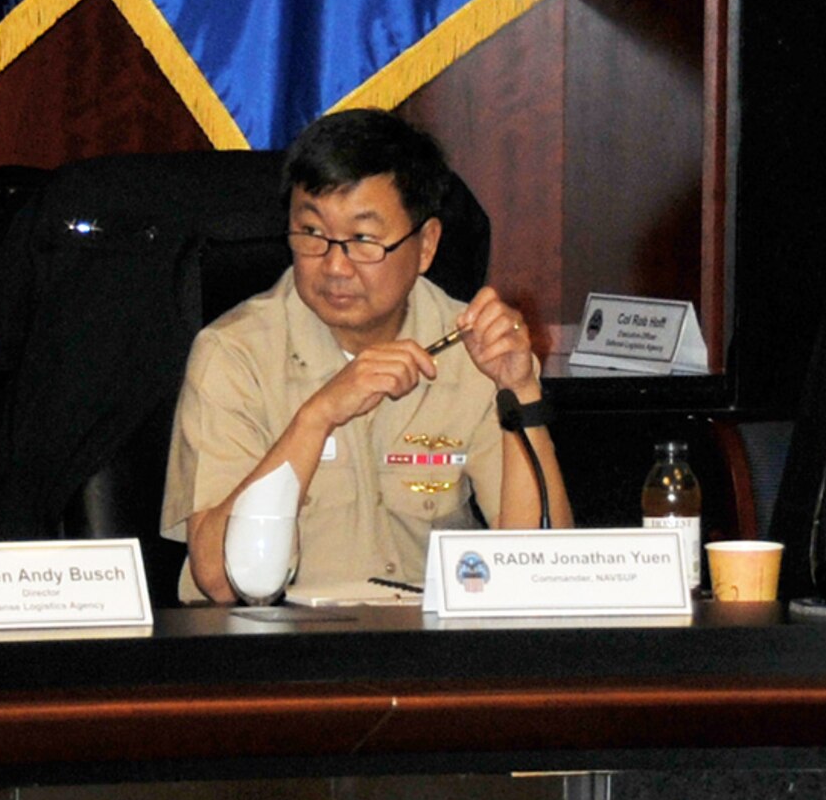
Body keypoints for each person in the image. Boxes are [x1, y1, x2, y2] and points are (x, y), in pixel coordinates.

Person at [161, 109, 571, 603]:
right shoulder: (233, 355)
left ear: (425, 246)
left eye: (362, 240)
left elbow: (540, 569)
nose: (335, 265)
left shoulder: (471, 348)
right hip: (277, 649)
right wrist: (316, 417)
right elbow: (220, 580)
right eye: (312, 234)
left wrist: (520, 390)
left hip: (426, 648)